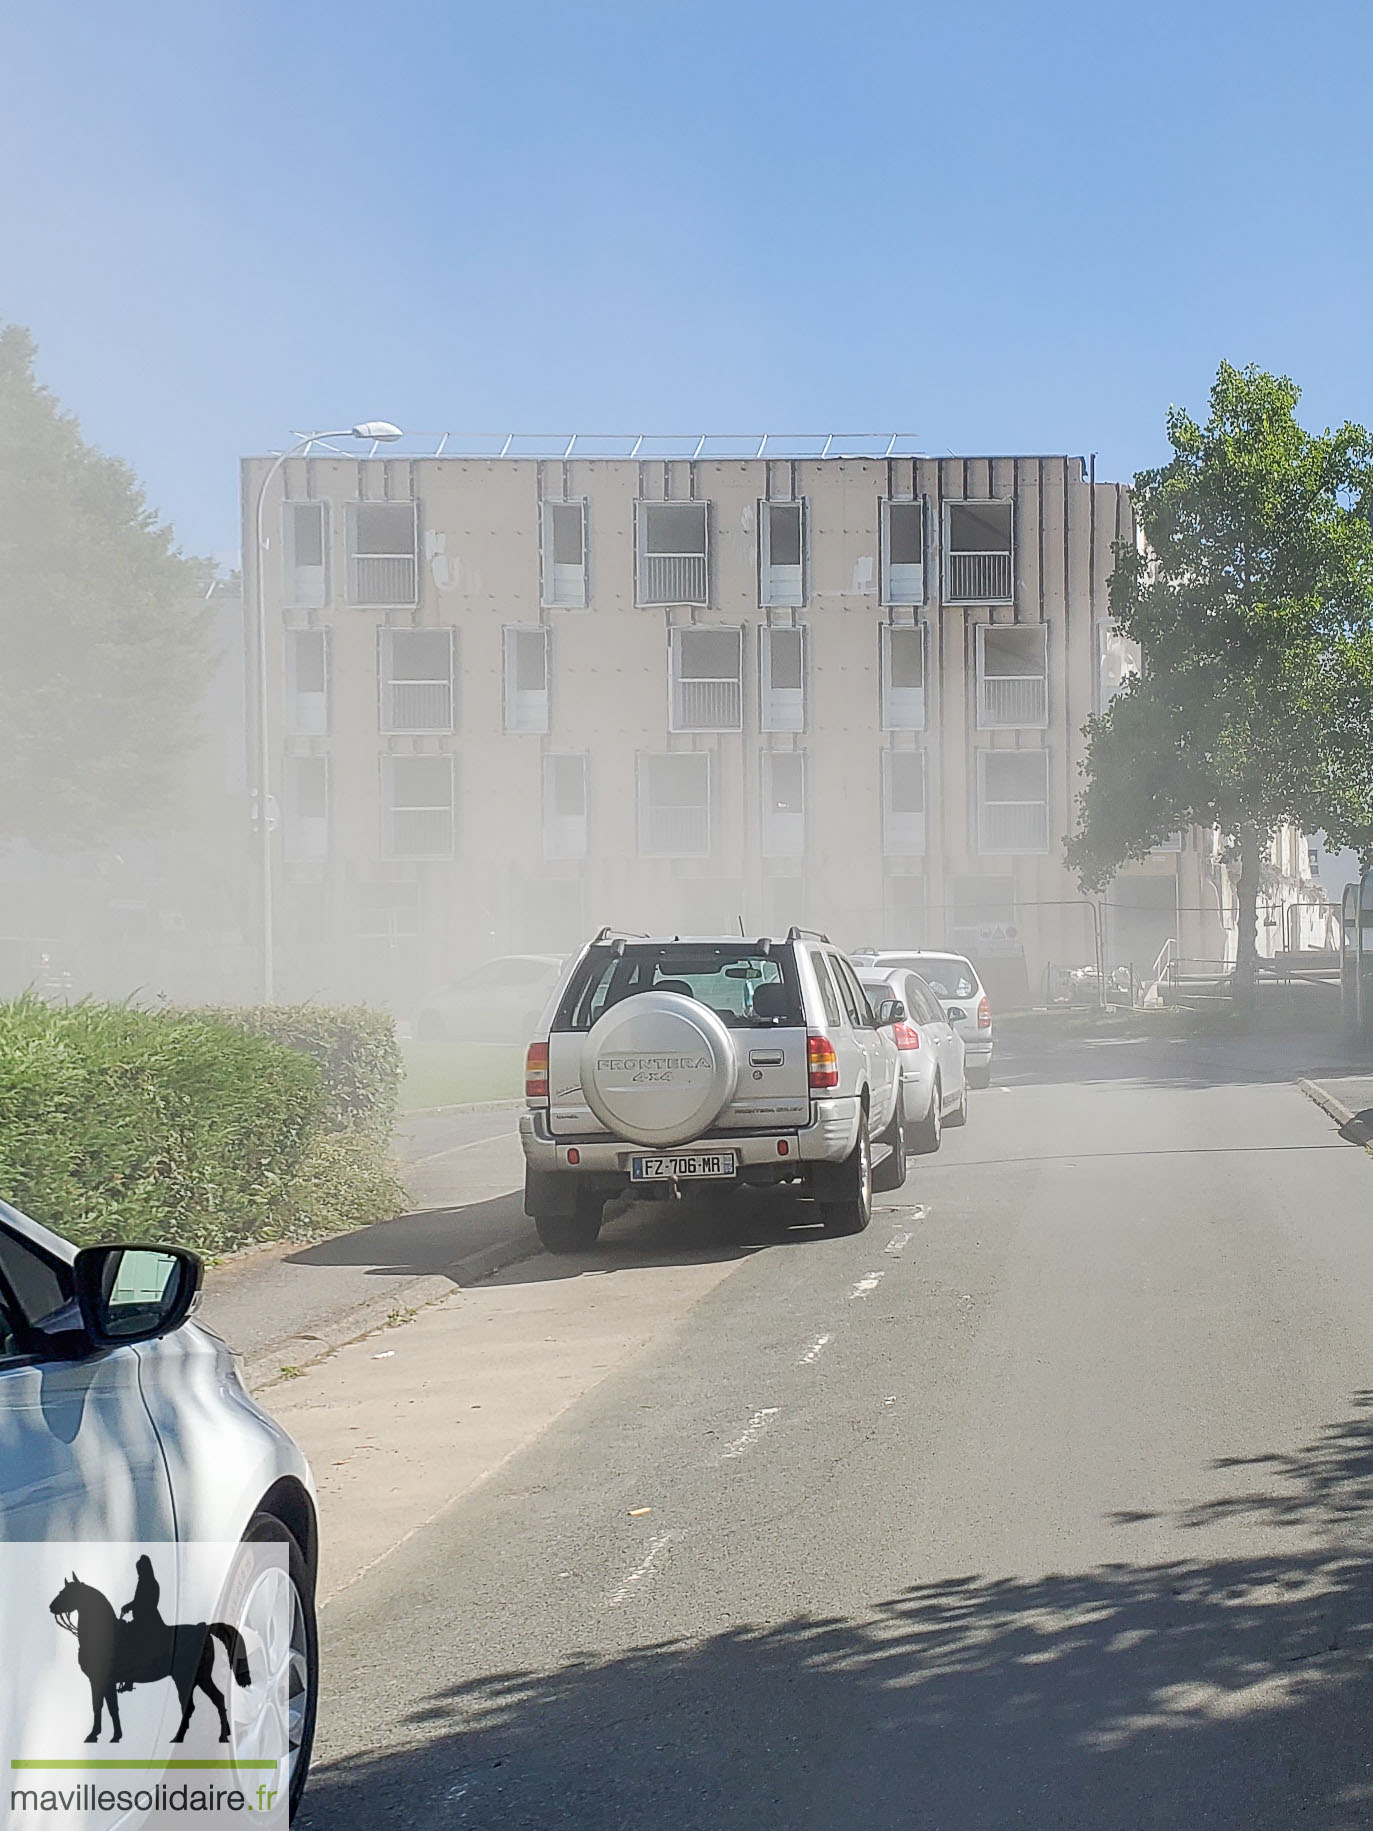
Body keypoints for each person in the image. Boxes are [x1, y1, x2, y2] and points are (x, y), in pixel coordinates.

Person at [117, 1554, 166, 1691]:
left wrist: (129, 1606)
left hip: (147, 1620)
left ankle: (129, 1680)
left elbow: (144, 1602)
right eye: (138, 1570)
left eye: (140, 1570)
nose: (138, 1573)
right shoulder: (144, 1582)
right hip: (141, 1618)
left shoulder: (149, 1583)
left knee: (129, 1642)